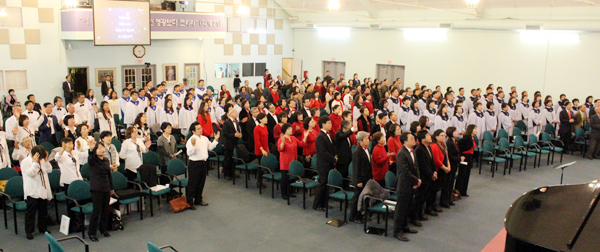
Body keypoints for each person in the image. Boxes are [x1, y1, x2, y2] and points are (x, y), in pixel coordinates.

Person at [392, 132, 420, 242]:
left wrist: (417, 179)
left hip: (411, 183)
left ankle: (404, 226)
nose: (414, 140)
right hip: (404, 185)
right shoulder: (401, 153)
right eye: (411, 139)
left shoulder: (412, 151)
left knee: (408, 206)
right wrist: (417, 180)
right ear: (405, 142)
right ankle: (397, 231)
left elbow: (416, 167)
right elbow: (405, 172)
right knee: (401, 209)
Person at [21, 145, 52, 240]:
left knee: (43, 210)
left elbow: (49, 170)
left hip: (42, 189)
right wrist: (35, 163)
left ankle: (43, 228)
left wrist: (46, 161)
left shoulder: (42, 160)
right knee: (31, 212)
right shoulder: (25, 162)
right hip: (32, 190)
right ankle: (29, 231)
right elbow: (31, 173)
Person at [87, 142, 116, 242]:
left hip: (106, 187)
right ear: (95, 151)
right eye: (99, 148)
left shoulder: (106, 160)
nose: (102, 150)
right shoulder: (93, 161)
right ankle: (92, 233)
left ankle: (103, 229)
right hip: (97, 189)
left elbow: (109, 175)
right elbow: (90, 157)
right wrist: (90, 150)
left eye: (103, 148)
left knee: (105, 210)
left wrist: (111, 188)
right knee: (96, 211)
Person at [186, 122, 220, 209]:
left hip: (204, 162)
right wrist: (193, 146)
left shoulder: (204, 138)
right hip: (195, 163)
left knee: (201, 182)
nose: (201, 130)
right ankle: (190, 201)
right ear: (193, 131)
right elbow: (189, 153)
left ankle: (198, 199)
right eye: (198, 129)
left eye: (201, 128)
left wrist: (215, 140)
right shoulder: (191, 140)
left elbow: (210, 147)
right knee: (193, 183)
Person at [312, 116, 337, 212]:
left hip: (328, 162)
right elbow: (323, 152)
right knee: (322, 184)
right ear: (323, 124)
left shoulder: (328, 135)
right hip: (323, 164)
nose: (331, 125)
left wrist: (335, 155)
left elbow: (331, 148)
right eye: (329, 123)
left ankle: (324, 203)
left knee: (327, 184)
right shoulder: (320, 136)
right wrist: (333, 158)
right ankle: (317, 204)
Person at [277, 123, 308, 199]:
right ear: (285, 130)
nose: (291, 130)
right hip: (285, 161)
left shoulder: (293, 138)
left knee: (291, 178)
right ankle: (284, 194)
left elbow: (301, 144)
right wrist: (283, 142)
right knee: (285, 178)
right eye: (289, 129)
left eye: (291, 128)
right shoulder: (281, 139)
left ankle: (290, 192)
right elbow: (280, 149)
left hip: (293, 160)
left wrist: (305, 137)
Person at [348, 131, 372, 224]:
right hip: (360, 179)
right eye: (366, 139)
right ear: (361, 141)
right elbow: (356, 168)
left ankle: (361, 214)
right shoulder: (357, 152)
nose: (368, 140)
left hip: (366, 178)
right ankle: (353, 216)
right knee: (357, 197)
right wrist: (358, 181)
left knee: (364, 197)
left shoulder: (366, 149)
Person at [430, 129, 451, 209]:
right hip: (438, 169)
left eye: (444, 135)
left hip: (444, 167)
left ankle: (437, 203)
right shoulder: (434, 146)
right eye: (441, 135)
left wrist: (448, 166)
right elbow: (436, 160)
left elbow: (446, 156)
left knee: (441, 185)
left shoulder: (443, 145)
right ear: (436, 137)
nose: (444, 137)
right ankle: (432, 205)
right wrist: (445, 168)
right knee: (434, 188)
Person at [220, 109, 242, 180]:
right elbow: (225, 134)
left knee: (233, 159)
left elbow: (237, 131)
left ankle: (232, 173)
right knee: (228, 159)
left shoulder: (237, 122)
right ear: (231, 113)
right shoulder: (227, 123)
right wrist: (234, 135)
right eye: (235, 112)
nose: (236, 113)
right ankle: (227, 174)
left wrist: (239, 135)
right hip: (228, 143)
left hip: (234, 143)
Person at [456, 124, 477, 197]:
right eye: (475, 129)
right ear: (471, 130)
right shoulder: (466, 138)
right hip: (465, 157)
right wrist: (461, 155)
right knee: (462, 174)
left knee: (467, 174)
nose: (476, 131)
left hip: (470, 156)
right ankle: (458, 190)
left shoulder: (473, 138)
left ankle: (463, 191)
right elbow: (459, 145)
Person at [444, 127, 463, 207]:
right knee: (447, 183)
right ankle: (445, 200)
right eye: (455, 131)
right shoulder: (449, 142)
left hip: (454, 164)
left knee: (451, 182)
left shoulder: (455, 142)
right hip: (450, 164)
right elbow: (450, 156)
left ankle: (449, 198)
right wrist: (459, 159)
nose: (457, 132)